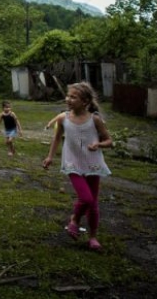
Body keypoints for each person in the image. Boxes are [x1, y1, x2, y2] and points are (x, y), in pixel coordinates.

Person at [43, 82, 113, 251]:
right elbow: (57, 138)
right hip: (72, 163)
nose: (68, 99)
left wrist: (98, 144)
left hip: (92, 164)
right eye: (68, 96)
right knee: (86, 199)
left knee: (93, 204)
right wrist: (50, 156)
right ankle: (75, 220)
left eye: (73, 97)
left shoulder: (94, 120)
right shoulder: (63, 118)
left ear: (85, 101)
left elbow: (109, 141)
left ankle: (93, 237)